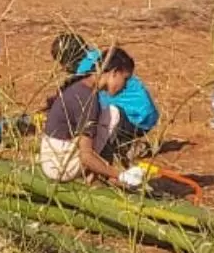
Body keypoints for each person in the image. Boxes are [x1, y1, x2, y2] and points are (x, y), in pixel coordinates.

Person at [38, 47, 143, 189]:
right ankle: (98, 175)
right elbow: (86, 157)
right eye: (125, 79)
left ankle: (97, 174)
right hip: (60, 167)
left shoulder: (80, 87)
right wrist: (121, 175)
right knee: (112, 114)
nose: (124, 87)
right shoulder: (88, 100)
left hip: (50, 159)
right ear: (114, 73)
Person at [51, 32, 159, 162]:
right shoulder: (98, 57)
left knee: (93, 115)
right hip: (146, 115)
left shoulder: (87, 70)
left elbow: (88, 104)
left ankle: (121, 147)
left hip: (136, 118)